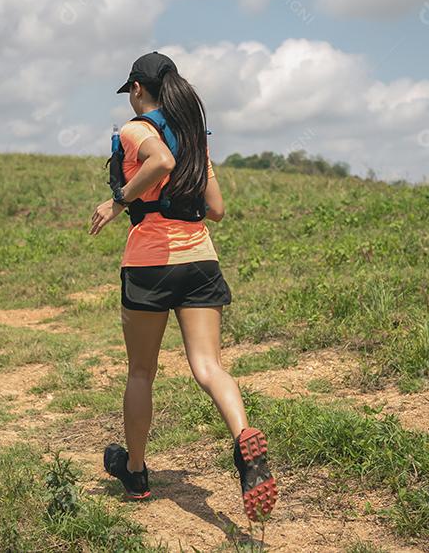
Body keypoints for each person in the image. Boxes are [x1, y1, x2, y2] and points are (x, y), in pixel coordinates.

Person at [89, 52, 277, 522]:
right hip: (199, 261)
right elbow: (216, 208)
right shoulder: (196, 137)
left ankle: (134, 473)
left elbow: (160, 160)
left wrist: (119, 200)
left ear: (137, 89)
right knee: (210, 366)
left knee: (140, 374)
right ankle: (243, 444)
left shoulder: (137, 130)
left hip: (149, 265)